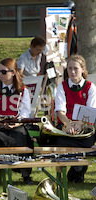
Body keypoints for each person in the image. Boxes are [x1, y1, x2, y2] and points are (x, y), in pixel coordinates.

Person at [53, 55, 96, 183]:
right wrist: (69, 125)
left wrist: (80, 125)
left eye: (75, 69)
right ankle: (77, 168)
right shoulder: (62, 86)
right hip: (67, 125)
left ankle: (78, 168)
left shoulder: (90, 87)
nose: (72, 72)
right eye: (69, 69)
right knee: (61, 141)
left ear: (83, 69)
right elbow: (60, 111)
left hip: (84, 125)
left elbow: (90, 110)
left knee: (86, 140)